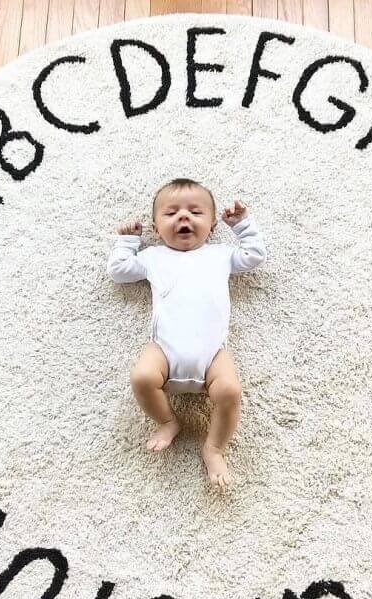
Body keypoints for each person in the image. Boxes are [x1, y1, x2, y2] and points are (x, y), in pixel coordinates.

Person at [107, 178, 267, 493]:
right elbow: (118, 272)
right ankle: (168, 421)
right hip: (164, 351)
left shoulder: (220, 254)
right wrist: (128, 242)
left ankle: (214, 448)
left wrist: (242, 226)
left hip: (213, 356)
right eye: (171, 214)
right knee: (141, 377)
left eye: (195, 212)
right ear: (155, 227)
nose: (184, 217)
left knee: (231, 392)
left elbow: (254, 256)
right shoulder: (153, 257)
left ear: (212, 225)